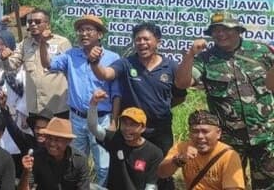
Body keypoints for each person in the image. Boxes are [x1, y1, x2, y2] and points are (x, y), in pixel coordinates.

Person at [176, 11, 274, 189]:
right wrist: (189, 55)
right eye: (215, 30)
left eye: (225, 29)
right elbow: (182, 83)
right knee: (231, 186)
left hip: (265, 137)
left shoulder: (261, 52)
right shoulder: (205, 59)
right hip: (229, 141)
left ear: (238, 30)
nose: (220, 34)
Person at [88, 22, 190, 187]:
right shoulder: (126, 63)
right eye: (138, 40)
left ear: (158, 41)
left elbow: (180, 96)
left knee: (160, 174)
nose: (142, 43)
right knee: (129, 172)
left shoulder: (170, 66)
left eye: (146, 39)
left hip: (160, 132)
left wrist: (159, 107)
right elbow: (105, 74)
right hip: (131, 129)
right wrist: (94, 62)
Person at [47, 15, 120, 186]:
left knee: (103, 166)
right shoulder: (71, 55)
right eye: (81, 30)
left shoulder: (112, 57)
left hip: (101, 119)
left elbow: (117, 93)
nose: (84, 34)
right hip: (77, 119)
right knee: (77, 162)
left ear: (100, 34)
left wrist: (114, 122)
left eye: (89, 30)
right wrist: (43, 43)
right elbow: (49, 64)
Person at [0, 9, 72, 116]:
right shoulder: (25, 44)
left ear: (47, 24)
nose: (33, 24)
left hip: (58, 107)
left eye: (37, 22)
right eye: (30, 22)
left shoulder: (62, 43)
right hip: (35, 107)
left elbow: (71, 72)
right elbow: (11, 66)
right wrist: (4, 59)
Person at [88, 89, 163, 190]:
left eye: (133, 125)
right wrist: (93, 103)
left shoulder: (155, 153)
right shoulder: (115, 139)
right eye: (125, 123)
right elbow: (94, 128)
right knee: (86, 186)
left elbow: (151, 185)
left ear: (143, 128)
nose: (127, 128)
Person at [158, 110, 244, 190]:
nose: (200, 136)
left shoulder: (229, 156)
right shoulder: (182, 148)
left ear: (218, 133)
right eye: (195, 131)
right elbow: (162, 173)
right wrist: (179, 160)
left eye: (205, 131)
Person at [18, 117, 90, 190]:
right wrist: (26, 171)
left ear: (68, 141)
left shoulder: (79, 161)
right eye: (49, 138)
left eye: (57, 140)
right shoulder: (37, 158)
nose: (52, 143)